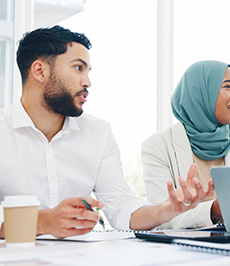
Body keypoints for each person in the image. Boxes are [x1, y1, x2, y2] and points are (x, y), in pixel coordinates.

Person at [0, 26, 214, 239]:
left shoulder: (99, 133)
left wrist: (162, 211)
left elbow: (120, 204)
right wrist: (44, 222)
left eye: (88, 72)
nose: (87, 82)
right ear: (40, 71)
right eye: (78, 68)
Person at [142, 60, 230, 229]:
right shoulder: (158, 146)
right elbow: (163, 219)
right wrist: (214, 210)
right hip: (180, 251)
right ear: (201, 93)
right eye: (228, 86)